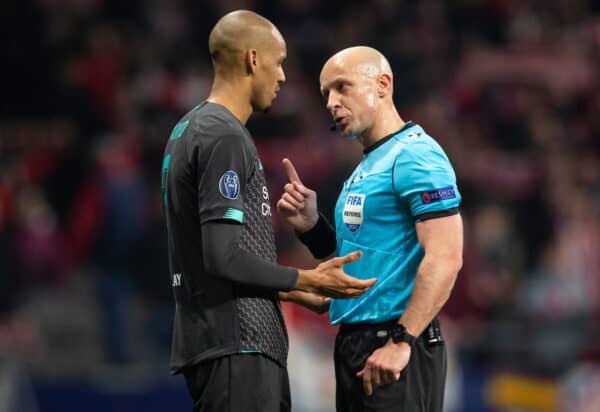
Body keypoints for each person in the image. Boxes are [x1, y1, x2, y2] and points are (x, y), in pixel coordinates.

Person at [160, 11, 376, 412]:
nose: (281, 77)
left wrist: (296, 290)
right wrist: (304, 276)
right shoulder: (223, 135)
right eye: (278, 63)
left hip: (222, 344)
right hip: (239, 347)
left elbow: (216, 266)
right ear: (252, 59)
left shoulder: (189, 130)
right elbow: (222, 257)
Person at [277, 46, 464, 412]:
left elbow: (445, 257)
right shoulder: (367, 165)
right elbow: (362, 269)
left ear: (382, 84)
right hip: (357, 346)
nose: (331, 102)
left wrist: (402, 341)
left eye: (342, 87)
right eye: (326, 94)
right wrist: (312, 228)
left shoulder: (415, 156)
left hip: (393, 347)